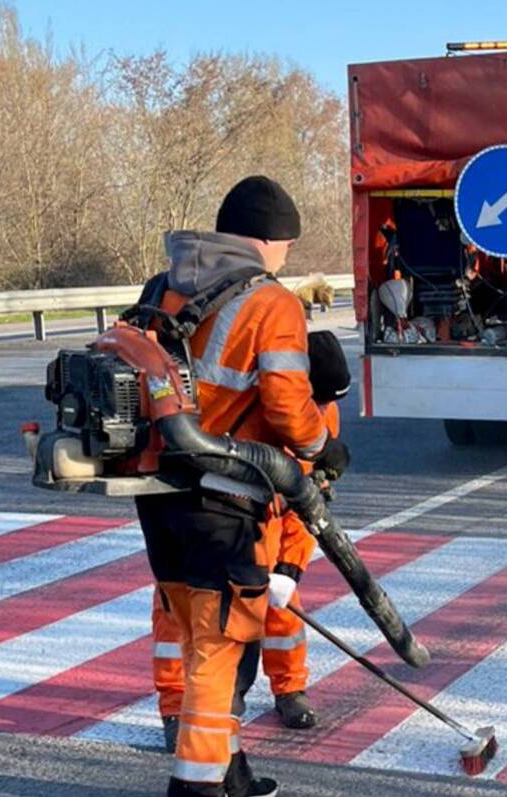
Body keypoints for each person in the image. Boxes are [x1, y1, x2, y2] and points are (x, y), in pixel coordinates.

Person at [135, 176, 351, 797]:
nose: (285, 259)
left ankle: (230, 772)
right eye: (286, 247)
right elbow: (286, 409)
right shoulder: (269, 301)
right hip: (224, 500)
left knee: (195, 629)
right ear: (269, 240)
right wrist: (323, 448)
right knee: (219, 647)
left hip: (158, 496)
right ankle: (197, 784)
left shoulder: (164, 287)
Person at [152, 330, 351, 750]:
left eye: (328, 405)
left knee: (282, 608)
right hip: (211, 518)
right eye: (315, 402)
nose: (321, 413)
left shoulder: (322, 415)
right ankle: (178, 707)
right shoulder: (239, 405)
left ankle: (289, 689)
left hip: (274, 520)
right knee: (183, 615)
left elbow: (308, 503)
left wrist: (290, 569)